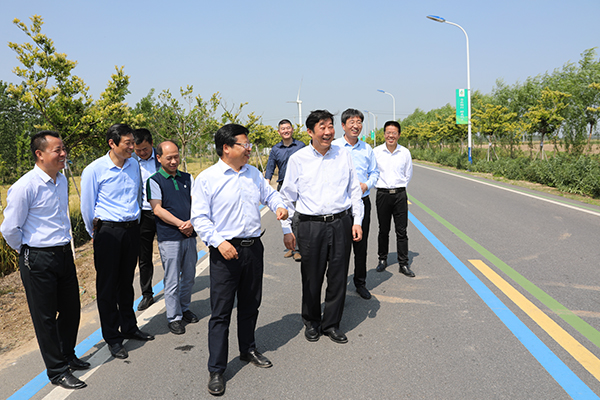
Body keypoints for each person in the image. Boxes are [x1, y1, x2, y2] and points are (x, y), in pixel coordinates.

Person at [191, 123, 289, 396]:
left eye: (248, 145)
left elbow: (269, 194)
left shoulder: (253, 174)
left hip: (252, 249)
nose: (248, 149)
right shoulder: (207, 178)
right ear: (226, 148)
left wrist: (279, 206)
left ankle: (248, 349)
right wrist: (219, 242)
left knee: (250, 304)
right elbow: (199, 217)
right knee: (221, 312)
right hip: (225, 251)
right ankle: (216, 369)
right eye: (244, 145)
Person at [1, 131, 89, 389]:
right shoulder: (25, 186)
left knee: (71, 309)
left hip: (63, 254)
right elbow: (10, 229)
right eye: (57, 150)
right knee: (45, 317)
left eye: (63, 149)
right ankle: (57, 371)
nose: (63, 154)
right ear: (39, 154)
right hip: (38, 258)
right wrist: (28, 251)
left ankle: (67, 354)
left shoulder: (61, 180)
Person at [280, 110, 364, 345]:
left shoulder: (343, 155)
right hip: (310, 226)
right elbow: (287, 197)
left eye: (330, 126)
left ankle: (331, 324)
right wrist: (287, 229)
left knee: (338, 276)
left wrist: (357, 221)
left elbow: (354, 190)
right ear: (310, 131)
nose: (328, 132)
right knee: (311, 277)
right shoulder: (298, 159)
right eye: (322, 127)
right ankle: (311, 321)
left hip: (341, 223)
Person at [81, 123, 155, 361]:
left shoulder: (133, 165)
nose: (133, 147)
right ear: (112, 143)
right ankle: (113, 337)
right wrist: (96, 233)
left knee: (126, 282)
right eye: (128, 143)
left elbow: (137, 195)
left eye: (133, 142)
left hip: (131, 230)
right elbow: (87, 206)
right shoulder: (94, 170)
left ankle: (129, 327)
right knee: (107, 287)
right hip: (108, 232)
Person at [147, 140, 198, 335]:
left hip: (190, 235)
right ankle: (174, 317)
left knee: (189, 277)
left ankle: (184, 308)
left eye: (176, 156)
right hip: (169, 237)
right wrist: (181, 224)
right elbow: (158, 209)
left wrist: (191, 222)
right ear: (159, 158)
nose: (174, 161)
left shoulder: (188, 178)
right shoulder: (154, 180)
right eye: (169, 158)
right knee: (172, 279)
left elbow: (197, 203)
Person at [332, 109, 379, 300]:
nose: (356, 126)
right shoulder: (334, 147)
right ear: (343, 125)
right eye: (352, 122)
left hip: (362, 202)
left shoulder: (367, 149)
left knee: (361, 246)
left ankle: (360, 283)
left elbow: (375, 172)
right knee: (340, 249)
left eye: (359, 122)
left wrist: (366, 184)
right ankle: (338, 288)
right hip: (341, 206)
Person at [373, 121, 414, 277]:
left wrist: (399, 188)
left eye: (394, 133)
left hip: (399, 195)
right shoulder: (376, 152)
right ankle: (382, 259)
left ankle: (403, 263)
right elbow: (372, 172)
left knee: (401, 230)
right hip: (382, 194)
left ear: (399, 135)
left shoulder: (405, 152)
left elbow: (408, 174)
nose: (391, 136)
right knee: (383, 229)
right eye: (388, 132)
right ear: (384, 134)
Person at [264, 119, 305, 261]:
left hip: (299, 186)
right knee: (285, 217)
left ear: (292, 129)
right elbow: (270, 166)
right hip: (283, 186)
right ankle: (291, 247)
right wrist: (267, 180)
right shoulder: (275, 149)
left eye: (288, 128)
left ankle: (298, 249)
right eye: (283, 129)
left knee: (298, 217)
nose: (286, 130)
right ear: (279, 132)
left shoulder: (301, 146)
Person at [133, 128, 160, 311]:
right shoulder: (131, 162)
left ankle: (176, 288)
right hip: (143, 214)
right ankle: (147, 294)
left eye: (145, 149)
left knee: (169, 253)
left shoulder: (161, 157)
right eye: (138, 150)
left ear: (151, 143)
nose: (142, 153)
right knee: (144, 257)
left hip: (163, 212)